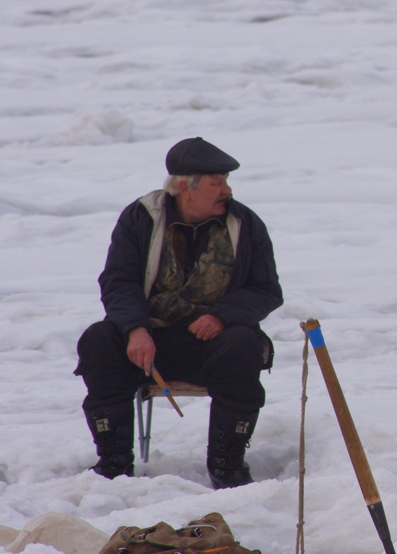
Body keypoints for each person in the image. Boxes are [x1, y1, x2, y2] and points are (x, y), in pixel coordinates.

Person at [74, 137, 283, 489]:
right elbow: (117, 280)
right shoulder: (141, 217)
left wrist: (222, 315)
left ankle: (227, 465)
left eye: (226, 182)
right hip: (148, 346)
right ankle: (114, 461)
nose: (226, 190)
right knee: (98, 340)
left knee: (243, 343)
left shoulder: (245, 223)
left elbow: (266, 290)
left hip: (211, 343)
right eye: (217, 182)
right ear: (185, 187)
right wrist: (135, 329)